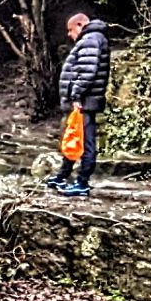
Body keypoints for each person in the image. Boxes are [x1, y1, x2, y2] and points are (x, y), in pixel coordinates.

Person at [46, 13, 110, 196]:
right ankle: (62, 176)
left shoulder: (90, 39)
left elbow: (86, 72)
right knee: (74, 138)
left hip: (84, 102)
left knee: (86, 142)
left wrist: (76, 96)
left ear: (80, 24)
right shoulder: (93, 38)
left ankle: (82, 183)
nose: (69, 35)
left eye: (70, 30)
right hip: (84, 101)